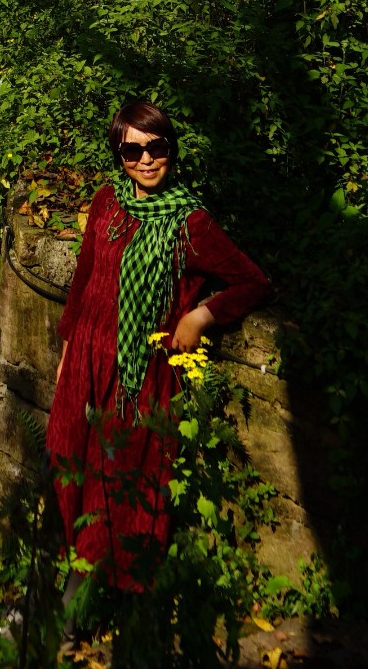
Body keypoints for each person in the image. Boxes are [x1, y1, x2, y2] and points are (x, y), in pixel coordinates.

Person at [44, 97, 270, 595]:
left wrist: (200, 315)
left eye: (156, 147)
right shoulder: (107, 202)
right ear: (119, 157)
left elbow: (252, 281)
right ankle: (60, 572)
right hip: (85, 360)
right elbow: (83, 283)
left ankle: (83, 605)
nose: (145, 160)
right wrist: (65, 356)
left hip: (137, 378)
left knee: (115, 485)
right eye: (132, 151)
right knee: (64, 459)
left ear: (171, 149)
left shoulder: (192, 224)